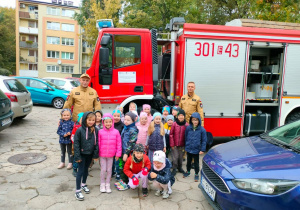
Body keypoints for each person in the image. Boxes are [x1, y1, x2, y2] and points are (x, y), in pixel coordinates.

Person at [74, 112, 99, 201]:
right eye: (89, 120)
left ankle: (83, 184)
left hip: (90, 154)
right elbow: (76, 144)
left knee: (86, 170)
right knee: (80, 171)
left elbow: (97, 143)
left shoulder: (95, 130)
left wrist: (95, 154)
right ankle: (77, 191)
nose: (91, 122)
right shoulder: (80, 130)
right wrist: (77, 156)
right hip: (81, 155)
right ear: (85, 120)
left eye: (93, 120)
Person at [98, 113, 122, 193]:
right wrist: (97, 154)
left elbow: (119, 143)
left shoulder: (116, 132)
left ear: (112, 122)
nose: (108, 123)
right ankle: (102, 183)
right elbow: (98, 143)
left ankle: (107, 184)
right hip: (102, 155)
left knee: (109, 170)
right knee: (103, 169)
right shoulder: (100, 132)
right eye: (106, 122)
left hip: (111, 155)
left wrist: (118, 154)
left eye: (109, 122)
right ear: (103, 123)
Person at [115, 112, 138, 191]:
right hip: (122, 151)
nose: (126, 121)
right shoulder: (125, 128)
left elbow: (132, 143)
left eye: (128, 120)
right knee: (121, 166)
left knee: (126, 167)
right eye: (125, 119)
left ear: (133, 121)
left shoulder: (133, 130)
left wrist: (126, 153)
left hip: (127, 153)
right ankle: (123, 180)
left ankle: (127, 182)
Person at [184, 112, 207, 182]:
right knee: (188, 161)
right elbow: (186, 137)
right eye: (193, 120)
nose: (195, 121)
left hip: (196, 149)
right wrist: (186, 145)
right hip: (189, 148)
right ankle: (188, 171)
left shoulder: (202, 130)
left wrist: (202, 149)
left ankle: (196, 173)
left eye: (196, 120)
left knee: (196, 162)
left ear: (199, 120)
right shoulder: (188, 128)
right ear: (191, 120)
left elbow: (204, 140)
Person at [169, 108, 188, 176]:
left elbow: (187, 135)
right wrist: (172, 144)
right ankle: (174, 168)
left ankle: (180, 167)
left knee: (180, 157)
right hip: (175, 145)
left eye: (182, 115)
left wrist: (186, 144)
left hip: (182, 145)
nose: (181, 117)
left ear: (184, 116)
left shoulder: (186, 125)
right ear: (177, 116)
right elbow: (171, 134)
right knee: (175, 157)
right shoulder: (174, 124)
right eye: (179, 115)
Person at [71, 112, 84, 177]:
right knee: (76, 158)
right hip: (77, 146)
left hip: (84, 147)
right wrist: (75, 144)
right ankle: (75, 169)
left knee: (82, 159)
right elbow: (72, 136)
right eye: (82, 119)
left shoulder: (86, 127)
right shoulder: (76, 127)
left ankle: (81, 169)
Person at [112, 109, 124, 180]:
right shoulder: (110, 124)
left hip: (118, 146)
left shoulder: (122, 125)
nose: (116, 117)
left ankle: (118, 173)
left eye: (118, 116)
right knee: (111, 161)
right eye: (114, 116)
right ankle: (112, 172)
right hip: (111, 145)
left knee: (117, 161)